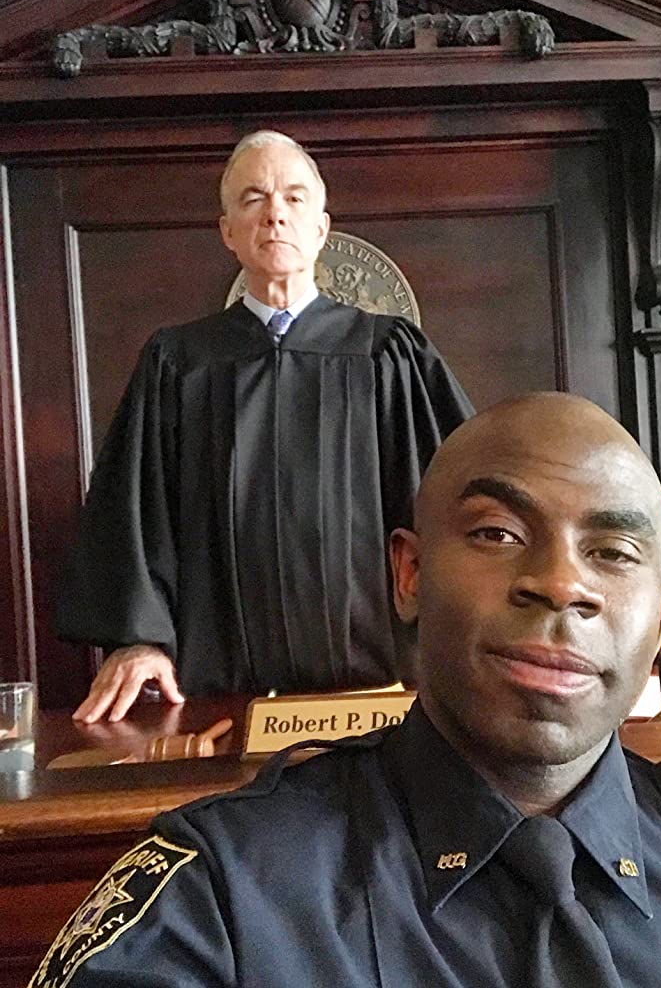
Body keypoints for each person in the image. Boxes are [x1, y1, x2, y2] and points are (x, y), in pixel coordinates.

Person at [34, 393, 661, 986]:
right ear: (409, 574)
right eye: (498, 534)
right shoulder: (215, 902)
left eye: (612, 551)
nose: (561, 583)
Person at [56, 129, 472, 722]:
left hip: (378, 694)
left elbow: (451, 504)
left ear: (321, 229)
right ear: (228, 231)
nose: (275, 213)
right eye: (253, 198)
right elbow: (137, 511)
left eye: (293, 198)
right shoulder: (178, 363)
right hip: (221, 696)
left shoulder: (387, 355)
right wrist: (140, 638)